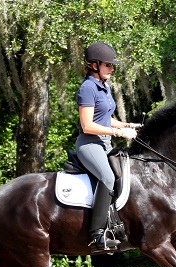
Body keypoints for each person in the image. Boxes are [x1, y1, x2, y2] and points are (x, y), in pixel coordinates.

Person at [76, 42, 141, 252]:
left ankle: (116, 224)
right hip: (89, 144)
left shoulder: (104, 86)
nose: (112, 69)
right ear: (94, 65)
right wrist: (120, 133)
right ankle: (97, 236)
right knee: (108, 177)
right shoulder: (87, 88)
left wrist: (127, 125)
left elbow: (105, 118)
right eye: (108, 65)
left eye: (112, 66)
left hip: (104, 144)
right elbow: (88, 125)